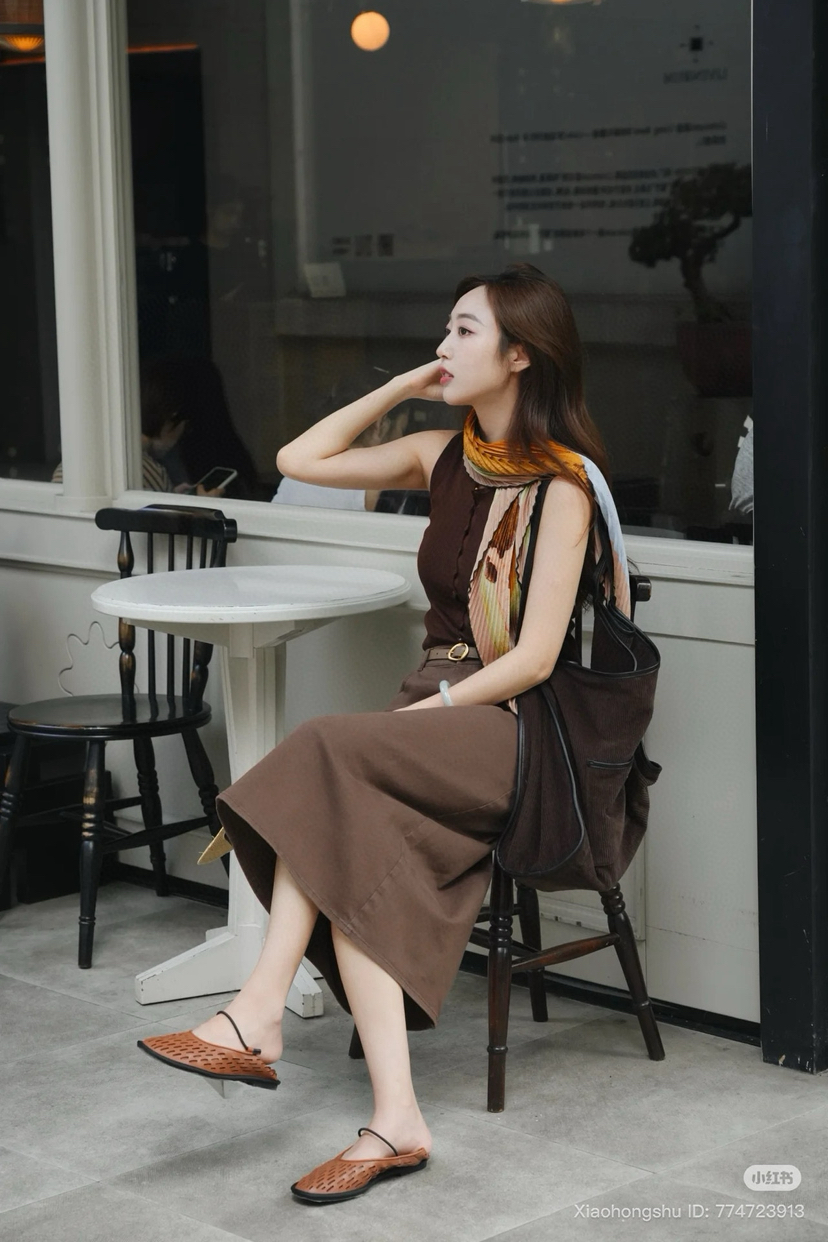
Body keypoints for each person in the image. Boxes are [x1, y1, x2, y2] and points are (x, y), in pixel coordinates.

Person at [136, 264, 626, 1204]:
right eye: (445, 330)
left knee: (323, 747)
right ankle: (396, 1120)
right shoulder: (440, 455)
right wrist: (404, 387)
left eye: (464, 332)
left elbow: (533, 661)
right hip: (429, 714)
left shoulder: (563, 487)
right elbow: (299, 459)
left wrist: (431, 712)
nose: (443, 346)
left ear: (521, 355)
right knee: (346, 840)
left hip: (512, 727)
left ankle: (257, 1013)